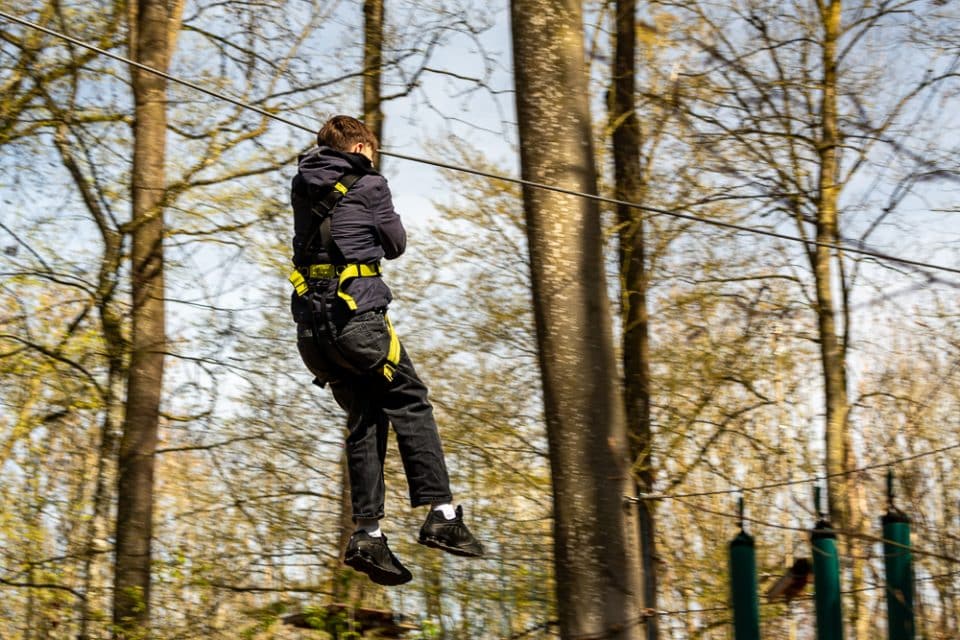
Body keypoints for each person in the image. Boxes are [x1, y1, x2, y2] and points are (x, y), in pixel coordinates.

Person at [288, 115, 483, 586]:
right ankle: (441, 513)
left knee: (366, 417)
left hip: (313, 331)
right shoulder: (371, 182)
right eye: (371, 150)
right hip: (357, 322)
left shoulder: (300, 184)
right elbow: (395, 244)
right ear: (361, 146)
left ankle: (368, 534)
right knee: (411, 400)